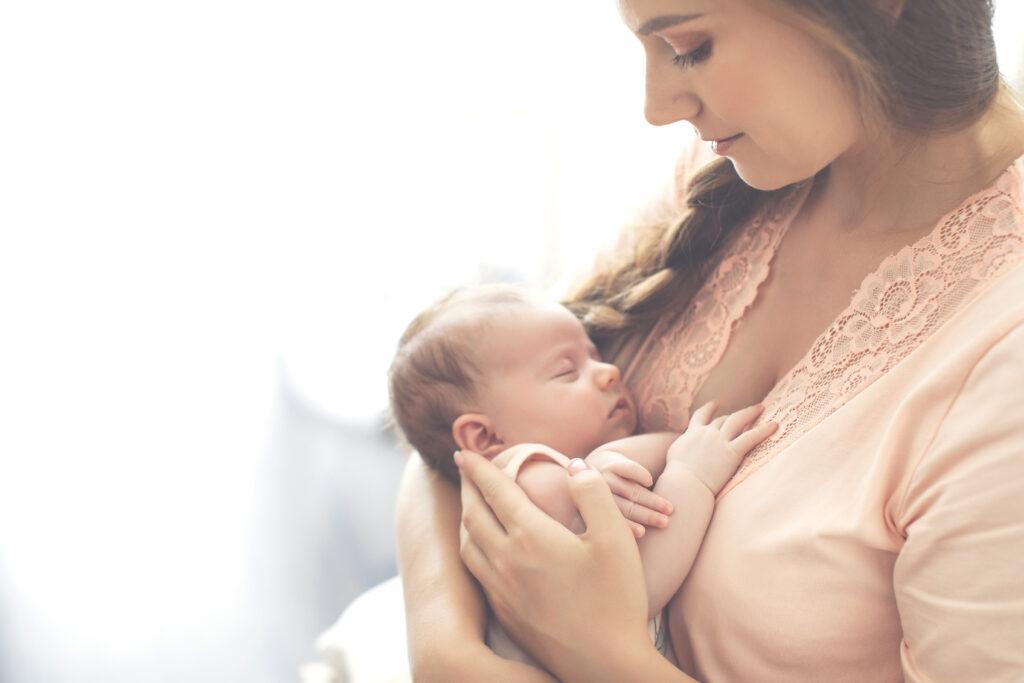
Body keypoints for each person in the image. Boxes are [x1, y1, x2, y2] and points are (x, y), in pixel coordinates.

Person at [397, 0, 1024, 680]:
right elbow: (465, 390)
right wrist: (446, 650)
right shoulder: (733, 171)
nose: (656, 107)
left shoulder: (1002, 357)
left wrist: (603, 653)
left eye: (690, 48)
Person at [386, 284, 777, 668]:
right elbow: (631, 594)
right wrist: (691, 474)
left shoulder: (546, 476)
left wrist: (627, 453)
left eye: (594, 354)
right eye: (567, 372)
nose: (608, 371)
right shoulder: (531, 480)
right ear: (485, 436)